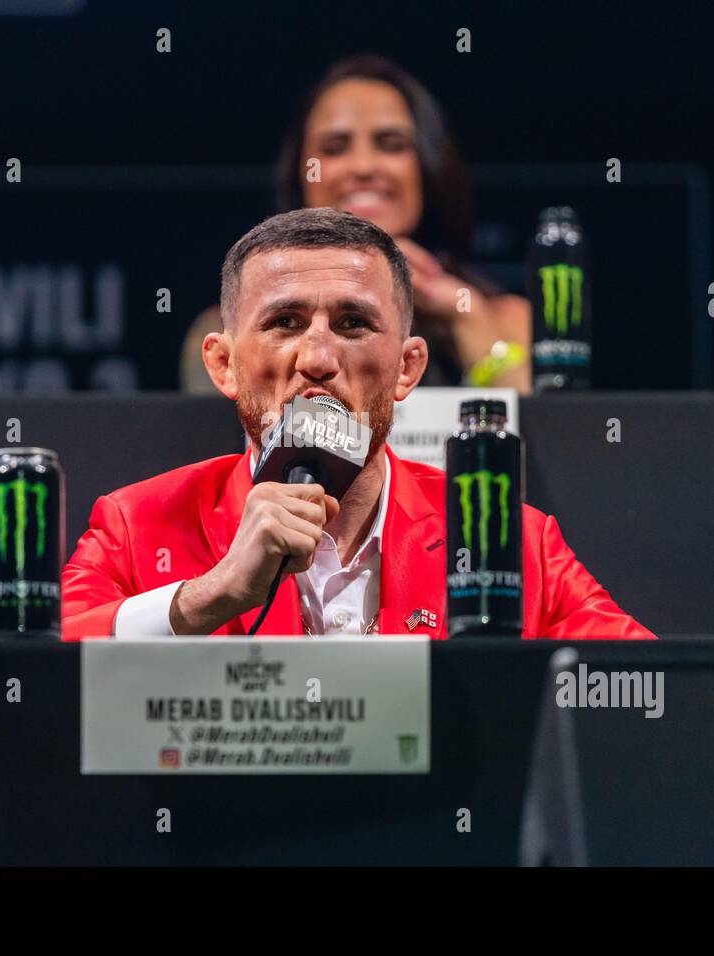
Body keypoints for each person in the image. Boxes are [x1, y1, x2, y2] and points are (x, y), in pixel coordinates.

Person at [63, 209, 649, 639]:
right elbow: (29, 673)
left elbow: (648, 694)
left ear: (407, 367)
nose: (317, 358)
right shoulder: (137, 525)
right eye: (285, 321)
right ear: (223, 364)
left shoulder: (515, 543)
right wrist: (207, 597)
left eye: (352, 324)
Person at [180, 54, 532, 395]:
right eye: (335, 148)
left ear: (427, 165)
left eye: (391, 144)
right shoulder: (226, 327)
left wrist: (462, 313)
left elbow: (542, 441)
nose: (363, 166)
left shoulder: (506, 319)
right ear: (300, 174)